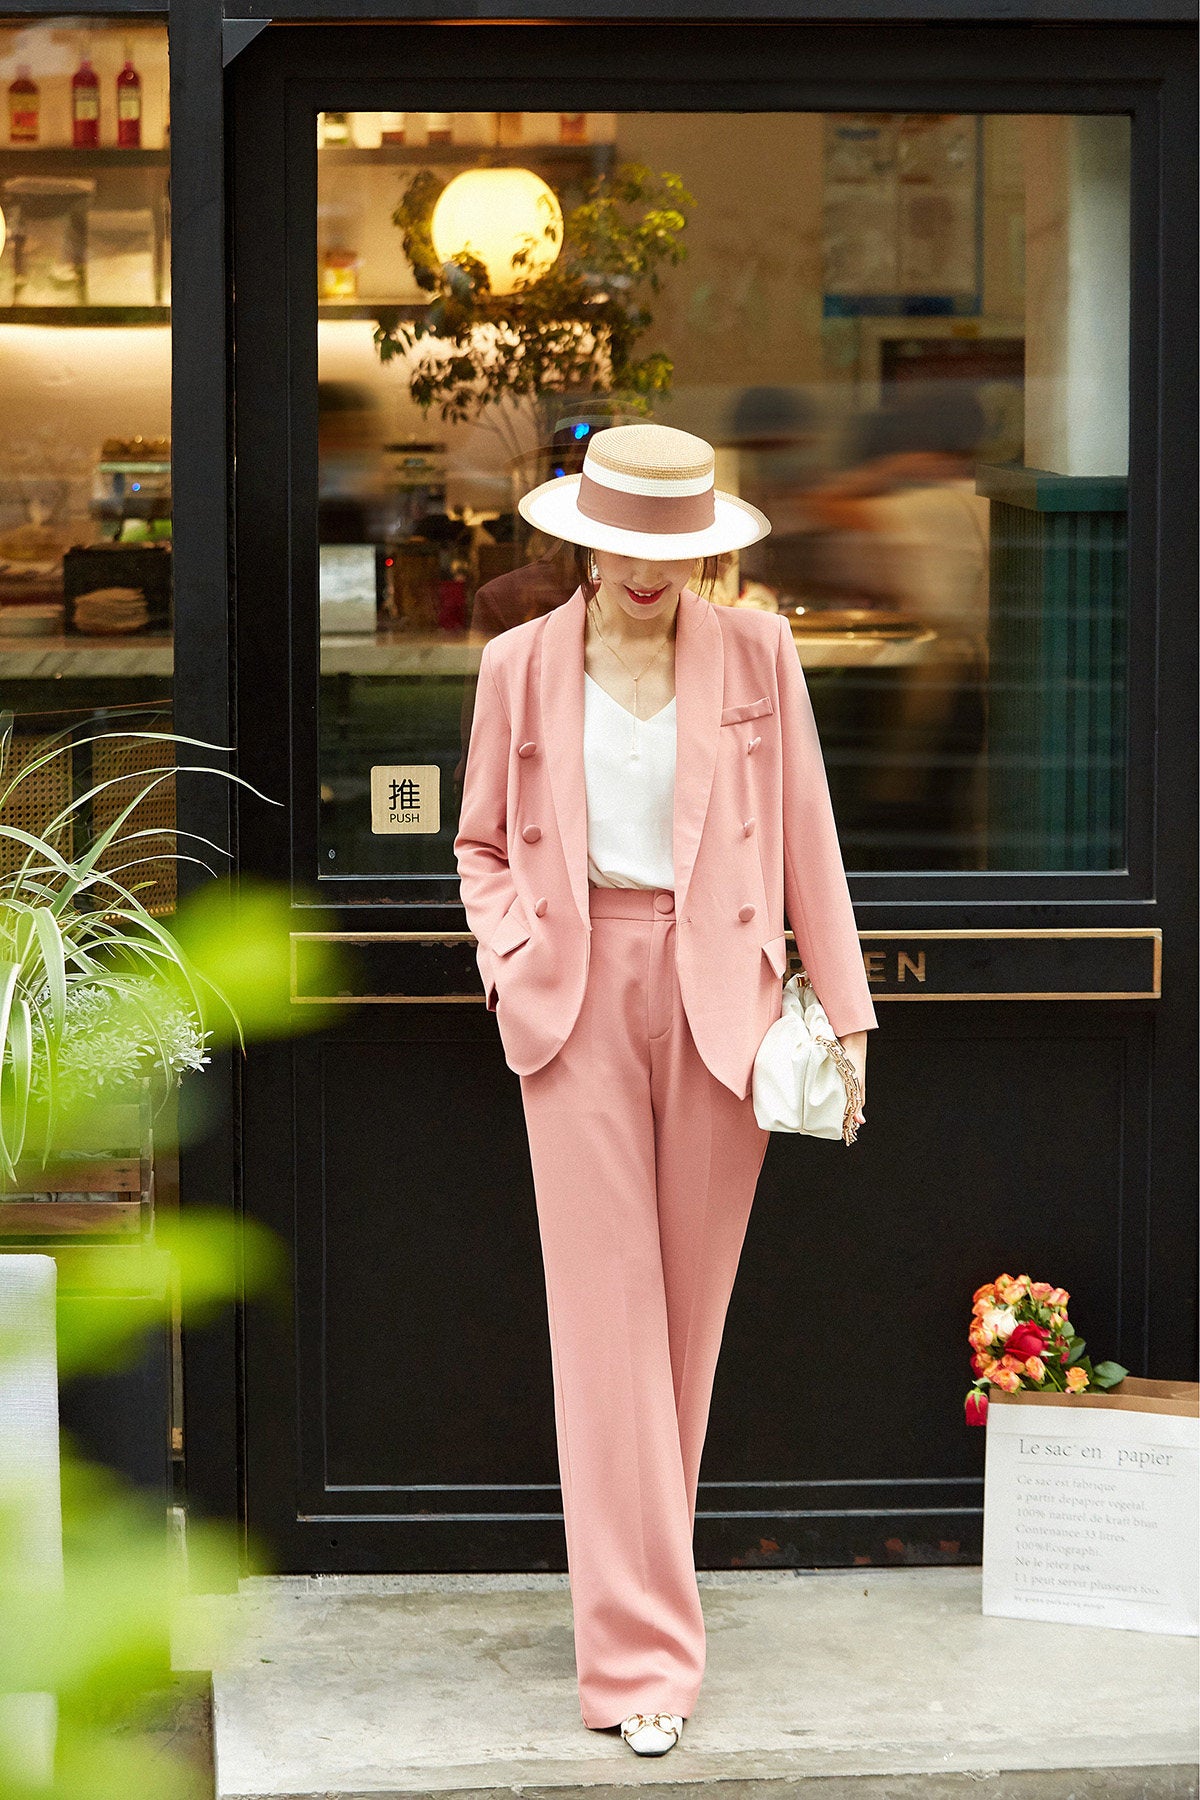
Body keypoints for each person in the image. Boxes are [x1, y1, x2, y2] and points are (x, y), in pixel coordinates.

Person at [452, 422, 878, 1756]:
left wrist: (847, 1015)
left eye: (673, 549)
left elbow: (807, 829)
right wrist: (513, 956)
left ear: (703, 548)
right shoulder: (519, 665)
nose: (647, 572)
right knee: (608, 1332)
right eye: (624, 545)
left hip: (724, 1001)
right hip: (573, 1001)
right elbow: (477, 843)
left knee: (683, 1332)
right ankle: (640, 1658)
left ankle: (644, 1595)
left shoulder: (757, 653)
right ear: (584, 539)